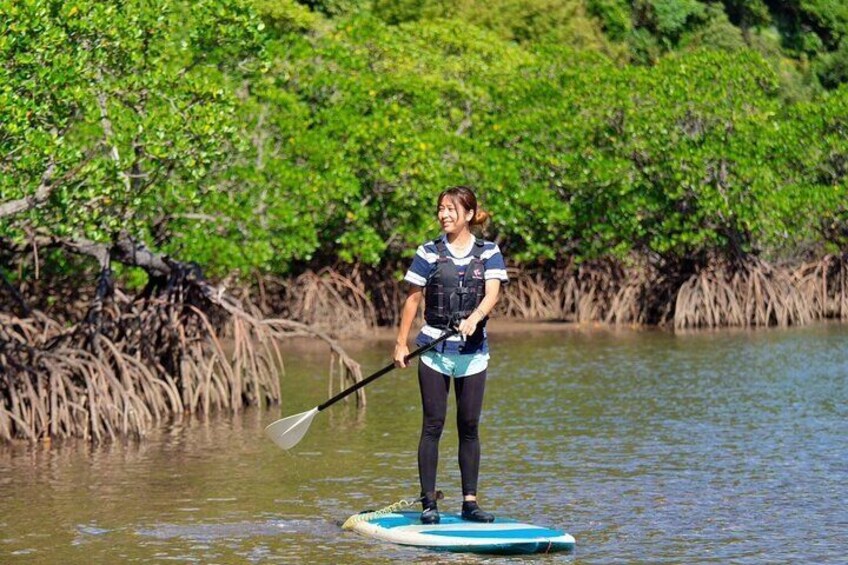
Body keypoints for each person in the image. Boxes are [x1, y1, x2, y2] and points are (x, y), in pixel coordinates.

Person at [393, 185, 508, 525]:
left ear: (469, 214)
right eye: (440, 209)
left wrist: (473, 319)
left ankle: (469, 503)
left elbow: (492, 294)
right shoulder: (428, 252)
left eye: (451, 209)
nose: (443, 214)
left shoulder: (489, 252)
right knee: (433, 425)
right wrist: (401, 344)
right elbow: (413, 299)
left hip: (472, 354)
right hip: (433, 351)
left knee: (469, 426)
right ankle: (429, 503)